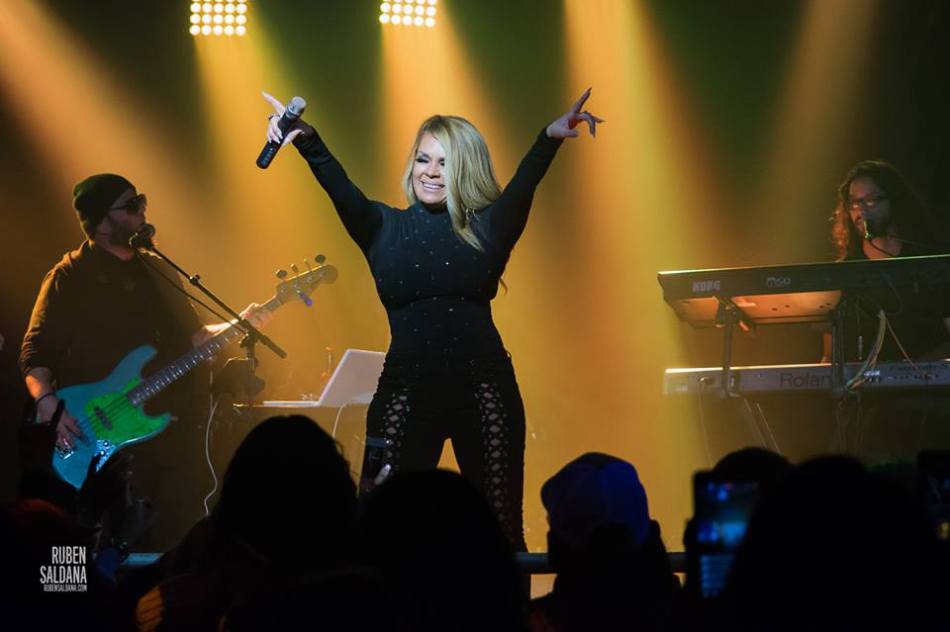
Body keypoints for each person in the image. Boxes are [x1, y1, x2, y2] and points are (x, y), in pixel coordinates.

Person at [261, 89, 603, 548]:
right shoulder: (382, 228)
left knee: (499, 529)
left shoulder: (488, 227)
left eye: (445, 163)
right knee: (377, 527)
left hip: (484, 390)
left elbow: (525, 184)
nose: (432, 172)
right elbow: (339, 188)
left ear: (465, 169)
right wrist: (306, 137)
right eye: (424, 159)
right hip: (405, 391)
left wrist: (550, 137)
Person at [19, 173, 269, 548]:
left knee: (168, 538)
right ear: (101, 222)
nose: (142, 211)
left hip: (165, 431)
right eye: (131, 205)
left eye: (142, 201)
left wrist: (240, 322)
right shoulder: (70, 274)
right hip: (95, 430)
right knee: (97, 542)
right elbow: (35, 352)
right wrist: (47, 402)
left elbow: (195, 337)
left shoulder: (158, 269)